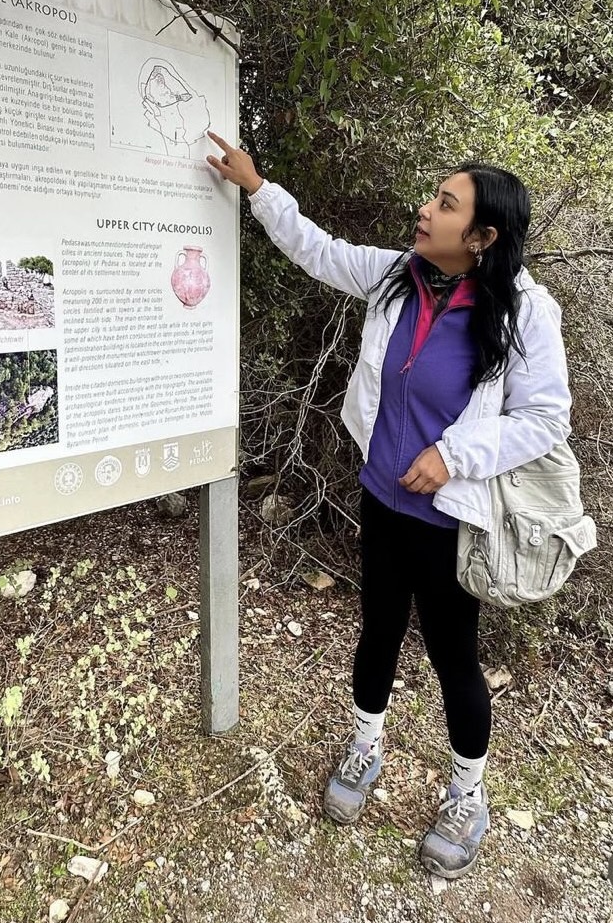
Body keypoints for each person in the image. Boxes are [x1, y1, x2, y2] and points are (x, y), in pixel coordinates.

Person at [205, 130, 572, 880]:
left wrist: (451, 456)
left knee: (451, 658)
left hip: (451, 521)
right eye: (432, 196)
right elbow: (319, 249)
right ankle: (365, 741)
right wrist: (256, 186)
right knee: (375, 629)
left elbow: (545, 417)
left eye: (443, 203)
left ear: (481, 236)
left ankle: (468, 794)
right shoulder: (397, 278)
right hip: (380, 500)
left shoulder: (525, 314)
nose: (423, 209)